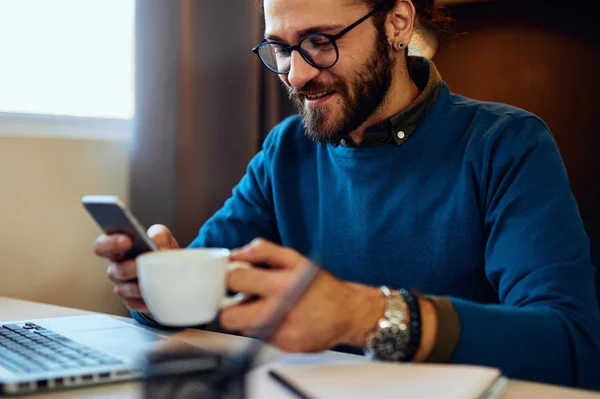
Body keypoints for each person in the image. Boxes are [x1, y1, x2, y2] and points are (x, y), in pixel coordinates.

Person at [94, 0, 600, 390]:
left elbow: (573, 344)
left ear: (398, 22)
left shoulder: (504, 144)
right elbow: (207, 295)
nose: (296, 73)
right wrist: (156, 290)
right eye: (281, 47)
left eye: (319, 40)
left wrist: (363, 316)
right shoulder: (285, 151)